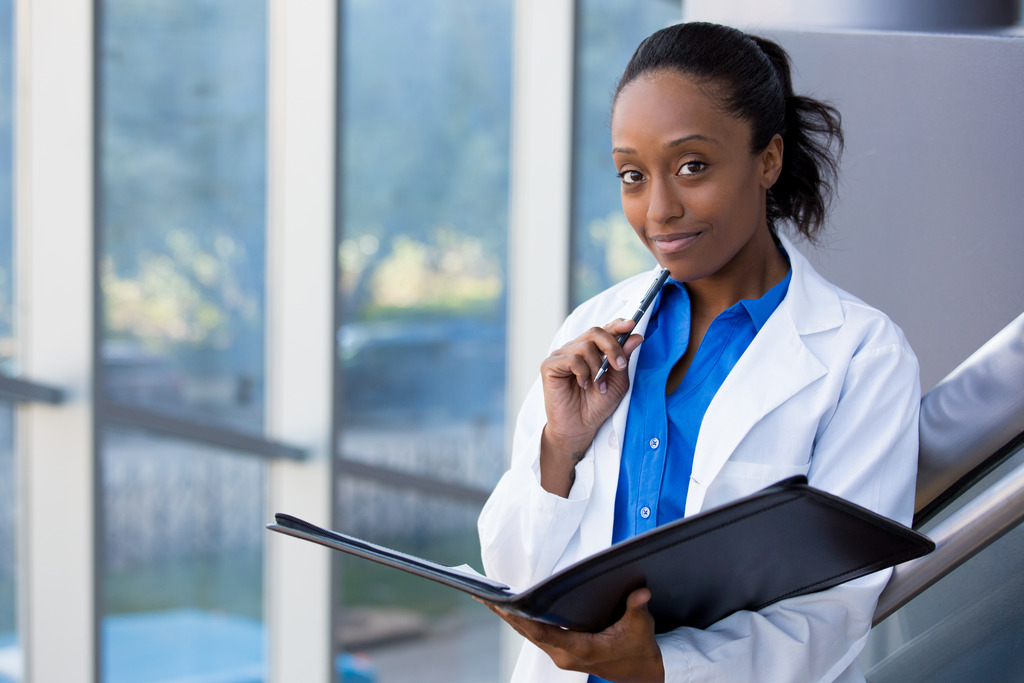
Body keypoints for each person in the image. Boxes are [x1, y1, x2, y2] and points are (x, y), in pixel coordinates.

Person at [477, 21, 920, 683]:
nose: (659, 209)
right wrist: (559, 449)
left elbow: (837, 609)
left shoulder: (863, 356)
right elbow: (515, 573)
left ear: (766, 160)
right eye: (633, 174)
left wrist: (662, 667)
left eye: (692, 166)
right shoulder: (595, 326)